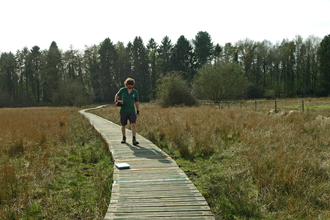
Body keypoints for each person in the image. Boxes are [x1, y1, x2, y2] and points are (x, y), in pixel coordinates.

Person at [114, 78, 140, 145]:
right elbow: (117, 95)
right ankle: (124, 137)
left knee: (133, 124)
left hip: (132, 111)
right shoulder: (123, 90)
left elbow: (136, 101)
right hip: (123, 111)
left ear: (133, 85)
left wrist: (138, 110)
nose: (130, 86)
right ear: (126, 84)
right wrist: (115, 101)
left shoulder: (135, 92)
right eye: (128, 84)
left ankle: (134, 139)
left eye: (131, 84)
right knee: (123, 125)